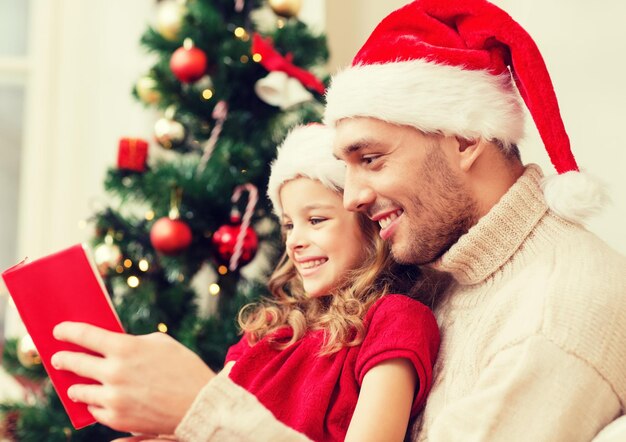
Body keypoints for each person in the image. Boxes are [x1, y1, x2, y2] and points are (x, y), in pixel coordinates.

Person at [82, 0, 626, 441]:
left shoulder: (552, 316)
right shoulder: (441, 273)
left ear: (464, 138)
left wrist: (206, 414)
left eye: (370, 159)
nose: (352, 198)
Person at [51, 124, 440, 441]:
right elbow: (208, 425)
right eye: (288, 224)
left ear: (369, 225)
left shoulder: (396, 320)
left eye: (316, 220)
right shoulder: (267, 335)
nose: (295, 240)